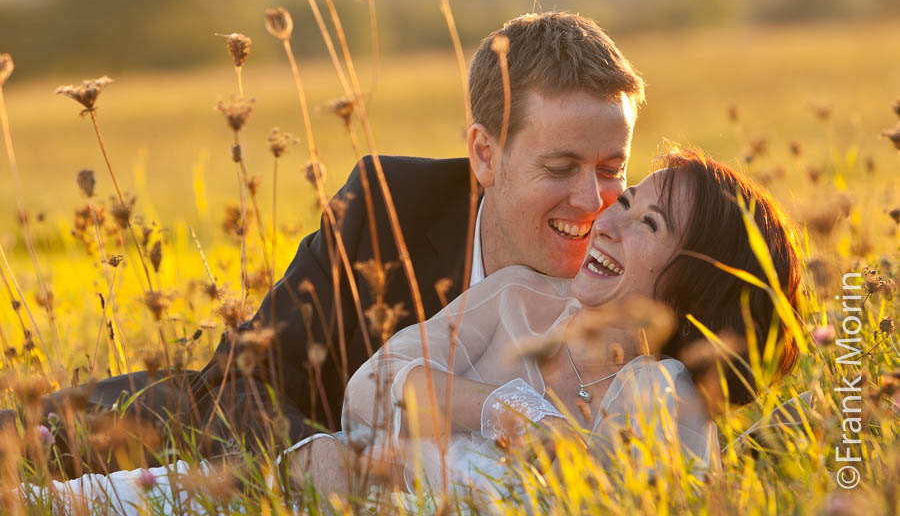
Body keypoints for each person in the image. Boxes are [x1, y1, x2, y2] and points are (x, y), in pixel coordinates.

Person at [1, 11, 646, 465]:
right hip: (287, 450)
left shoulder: (642, 263)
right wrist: (329, 463)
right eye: (559, 168)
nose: (593, 202)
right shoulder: (391, 207)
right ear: (484, 153)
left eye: (613, 169)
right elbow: (242, 379)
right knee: (101, 421)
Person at [22, 146, 802, 513]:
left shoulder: (660, 394)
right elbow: (378, 386)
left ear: (695, 285)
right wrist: (499, 408)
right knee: (274, 470)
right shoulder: (516, 299)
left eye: (647, 223)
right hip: (343, 479)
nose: (609, 221)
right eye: (626, 201)